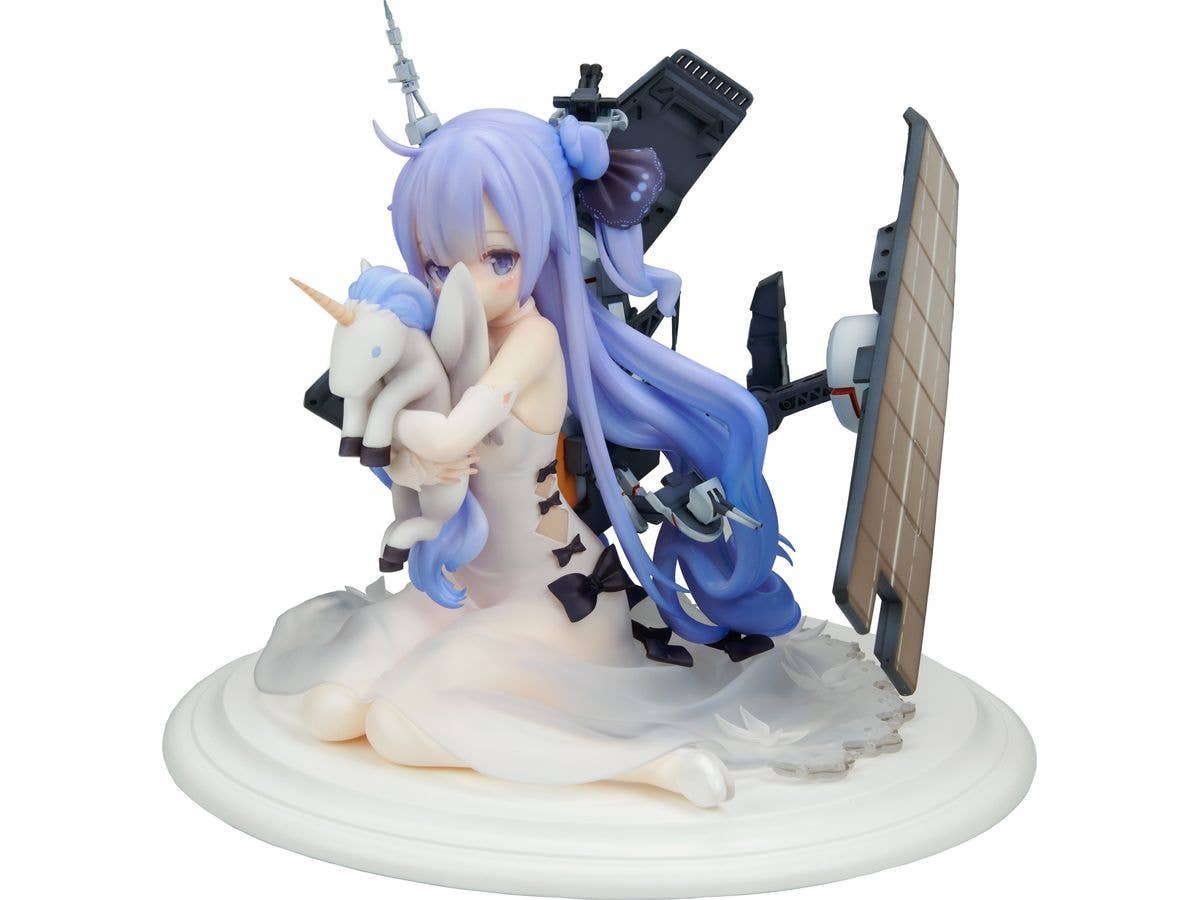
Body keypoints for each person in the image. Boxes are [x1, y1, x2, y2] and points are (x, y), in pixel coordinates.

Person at [254, 109, 910, 807]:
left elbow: (446, 439)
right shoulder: (443, 338)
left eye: (498, 258)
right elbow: (417, 471)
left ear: (542, 242)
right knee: (330, 710)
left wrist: (382, 415)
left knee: (400, 727)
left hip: (557, 597)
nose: (465, 284)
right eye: (440, 265)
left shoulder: (532, 343)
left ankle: (652, 764)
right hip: (464, 586)